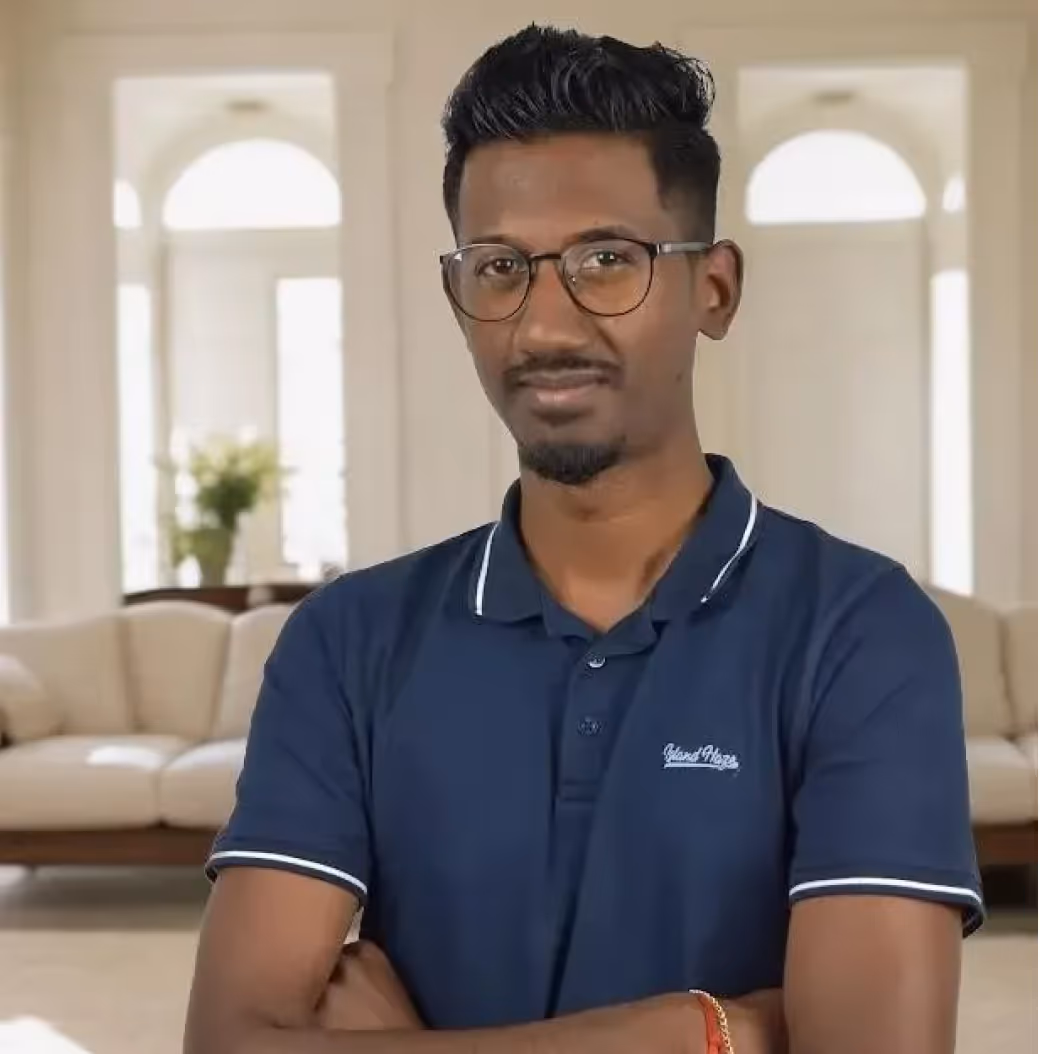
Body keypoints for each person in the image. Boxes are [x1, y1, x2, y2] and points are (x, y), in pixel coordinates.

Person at [184, 25, 982, 1054]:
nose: (545, 325)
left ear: (713, 288)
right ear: (457, 295)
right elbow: (228, 1043)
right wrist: (699, 1030)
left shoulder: (860, 632)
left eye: (608, 259)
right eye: (499, 266)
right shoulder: (345, 643)